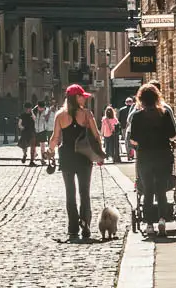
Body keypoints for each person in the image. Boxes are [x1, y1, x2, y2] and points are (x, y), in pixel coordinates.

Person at [48, 84, 102, 240]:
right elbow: (96, 135)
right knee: (84, 192)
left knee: (70, 193)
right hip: (84, 156)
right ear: (76, 97)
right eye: (82, 96)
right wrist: (99, 154)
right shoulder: (86, 114)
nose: (84, 99)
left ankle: (72, 228)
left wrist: (50, 152)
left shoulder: (60, 115)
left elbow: (55, 138)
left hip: (67, 157)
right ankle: (85, 224)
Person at [129, 82, 176, 237]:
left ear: (141, 99)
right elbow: (173, 134)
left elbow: (133, 139)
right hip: (163, 155)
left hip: (145, 157)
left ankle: (149, 224)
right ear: (157, 97)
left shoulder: (137, 116)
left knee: (148, 190)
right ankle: (162, 219)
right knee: (161, 189)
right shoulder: (164, 114)